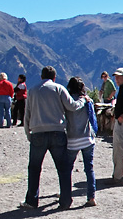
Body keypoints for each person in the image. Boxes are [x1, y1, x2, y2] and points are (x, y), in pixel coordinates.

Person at [20, 66, 88, 210]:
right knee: (63, 168)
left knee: (34, 167)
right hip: (57, 132)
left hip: (38, 133)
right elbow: (72, 106)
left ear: (41, 76)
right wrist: (83, 100)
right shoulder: (59, 88)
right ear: (54, 77)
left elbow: (27, 115)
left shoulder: (32, 90)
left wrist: (28, 134)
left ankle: (32, 201)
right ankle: (65, 201)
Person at [66, 77, 97, 207]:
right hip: (87, 138)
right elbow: (92, 118)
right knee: (89, 168)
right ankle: (91, 197)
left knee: (67, 169)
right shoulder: (87, 101)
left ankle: (66, 196)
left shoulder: (67, 101)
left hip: (72, 139)